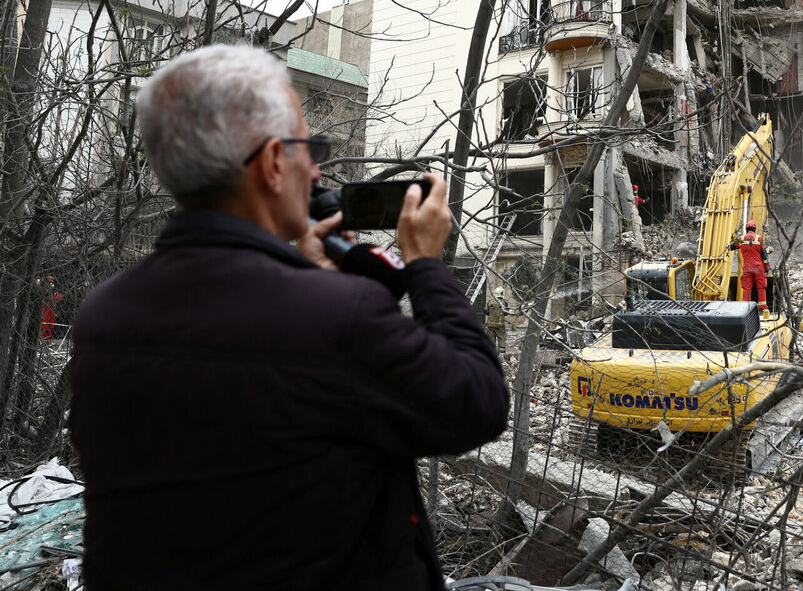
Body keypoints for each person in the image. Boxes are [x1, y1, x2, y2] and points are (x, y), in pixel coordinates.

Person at [69, 45, 508, 591]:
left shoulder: (102, 314)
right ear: (275, 161)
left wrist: (310, 280)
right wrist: (425, 265)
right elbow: (478, 401)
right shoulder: (334, 318)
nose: (318, 170)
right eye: (311, 148)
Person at [729, 220, 768, 313]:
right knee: (761, 287)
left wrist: (728, 246)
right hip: (758, 268)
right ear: (755, 229)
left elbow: (732, 247)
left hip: (747, 268)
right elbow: (764, 255)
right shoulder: (759, 238)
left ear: (746, 229)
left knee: (747, 288)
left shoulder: (741, 239)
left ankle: (745, 309)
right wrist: (766, 267)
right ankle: (763, 308)